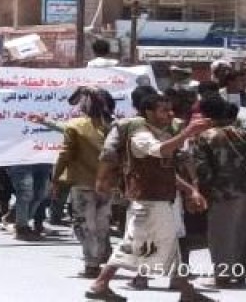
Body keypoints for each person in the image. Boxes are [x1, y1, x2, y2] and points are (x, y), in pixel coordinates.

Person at [86, 95, 214, 302]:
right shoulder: (141, 136)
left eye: (171, 109)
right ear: (149, 113)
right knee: (141, 245)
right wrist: (187, 133)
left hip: (158, 200)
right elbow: (159, 151)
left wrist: (190, 190)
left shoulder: (160, 133)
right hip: (148, 201)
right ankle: (100, 283)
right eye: (164, 110)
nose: (170, 114)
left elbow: (165, 171)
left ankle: (185, 290)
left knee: (163, 245)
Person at [191, 97, 246, 288]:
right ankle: (241, 273)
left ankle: (223, 276)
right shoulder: (244, 134)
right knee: (243, 231)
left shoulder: (205, 136)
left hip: (221, 192)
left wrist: (199, 193)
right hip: (245, 189)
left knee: (221, 234)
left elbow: (202, 170)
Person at [55, 88, 115, 277]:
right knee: (101, 224)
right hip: (107, 183)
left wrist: (56, 178)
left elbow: (65, 155)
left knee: (84, 225)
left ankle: (92, 264)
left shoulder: (75, 126)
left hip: (83, 184)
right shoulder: (113, 126)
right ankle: (103, 257)